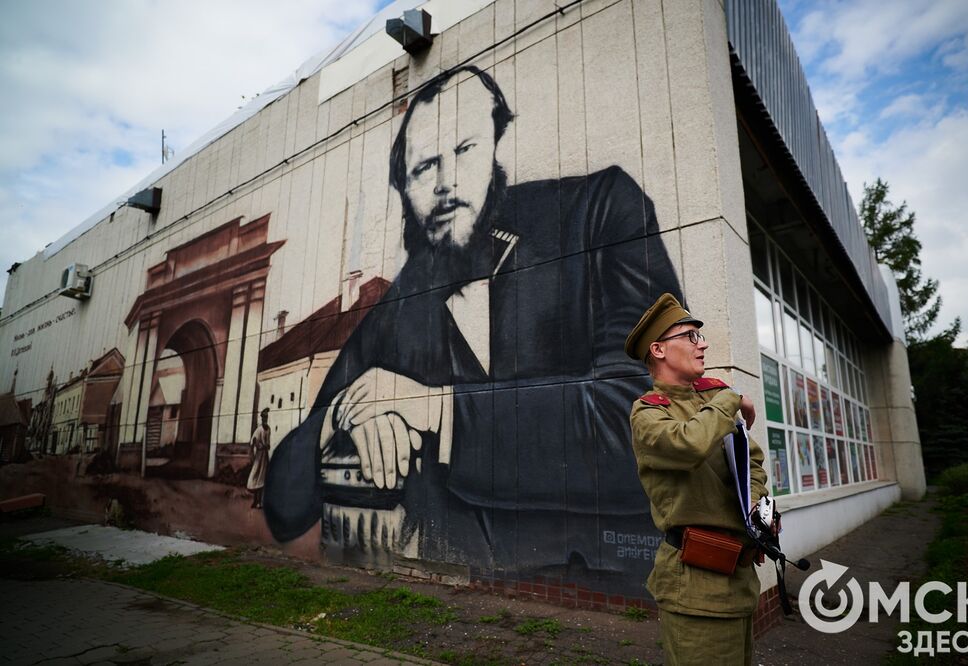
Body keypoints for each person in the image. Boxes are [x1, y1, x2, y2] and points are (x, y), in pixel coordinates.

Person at [265, 66, 682, 579]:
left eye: (464, 151)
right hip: (448, 619)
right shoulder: (402, 304)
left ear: (493, 149)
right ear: (403, 190)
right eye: (423, 169)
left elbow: (651, 418)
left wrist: (433, 409)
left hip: (616, 600)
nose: (446, 183)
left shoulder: (596, 214)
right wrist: (343, 418)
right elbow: (285, 505)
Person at [625, 293, 768, 665]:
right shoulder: (648, 414)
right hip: (694, 585)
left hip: (739, 580)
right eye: (690, 336)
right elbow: (688, 444)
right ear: (658, 350)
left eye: (699, 336)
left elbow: (752, 462)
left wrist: (754, 507)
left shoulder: (715, 398)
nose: (702, 343)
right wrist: (730, 400)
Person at [247, 408, 271, 509]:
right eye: (263, 418)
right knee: (255, 476)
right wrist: (254, 451)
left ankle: (259, 502)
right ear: (261, 419)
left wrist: (266, 446)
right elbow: (253, 441)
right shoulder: (259, 429)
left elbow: (268, 444)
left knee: (262, 478)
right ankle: (255, 500)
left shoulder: (268, 429)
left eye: (266, 417)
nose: (265, 419)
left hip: (264, 456)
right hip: (259, 456)